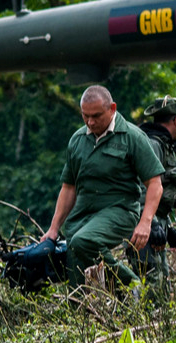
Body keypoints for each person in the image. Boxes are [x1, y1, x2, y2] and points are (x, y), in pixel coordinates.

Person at [41, 86, 164, 288]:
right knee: (77, 266)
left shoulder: (132, 136)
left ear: (112, 108)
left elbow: (155, 184)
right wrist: (54, 229)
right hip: (82, 215)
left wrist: (146, 222)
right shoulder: (77, 140)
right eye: (85, 116)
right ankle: (81, 311)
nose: (90, 122)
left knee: (83, 241)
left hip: (120, 211)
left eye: (96, 116)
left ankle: (131, 282)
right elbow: (69, 187)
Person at [129, 95, 176, 298]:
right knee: (149, 287)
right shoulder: (152, 145)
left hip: (154, 225)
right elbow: (140, 189)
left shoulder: (164, 144)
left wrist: (167, 229)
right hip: (143, 228)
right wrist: (152, 223)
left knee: (161, 287)